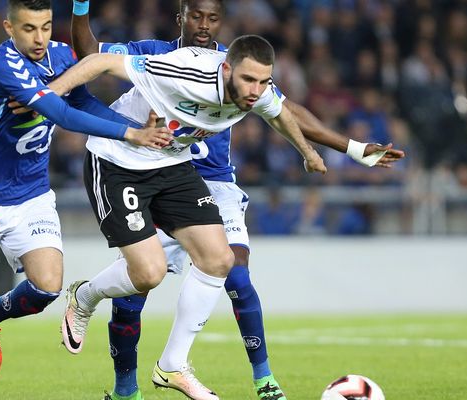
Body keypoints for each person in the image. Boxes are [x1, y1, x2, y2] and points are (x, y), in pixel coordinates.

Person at [57, 1, 405, 400]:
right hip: (137, 164)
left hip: (204, 179)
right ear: (181, 17)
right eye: (196, 16)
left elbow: (284, 110)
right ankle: (124, 389)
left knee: (230, 265)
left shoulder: (242, 70)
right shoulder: (157, 55)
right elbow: (92, 55)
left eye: (213, 18)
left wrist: (350, 149)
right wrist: (76, 19)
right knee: (140, 282)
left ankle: (257, 378)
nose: (204, 25)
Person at [0, 1, 172, 399]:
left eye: (46, 26)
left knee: (46, 287)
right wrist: (131, 136)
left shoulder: (61, 55)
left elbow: (82, 103)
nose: (40, 38)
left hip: (31, 195)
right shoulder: (3, 65)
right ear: (9, 27)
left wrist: (134, 126)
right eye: (29, 29)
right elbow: (61, 113)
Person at [39, 27, 328, 398]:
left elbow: (280, 113)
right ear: (226, 70)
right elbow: (101, 61)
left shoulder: (256, 91)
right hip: (119, 161)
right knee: (149, 274)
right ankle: (86, 297)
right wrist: (46, 97)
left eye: (262, 81)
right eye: (248, 80)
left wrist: (307, 152)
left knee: (219, 259)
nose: (255, 90)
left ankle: (173, 366)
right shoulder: (184, 70)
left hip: (171, 164)